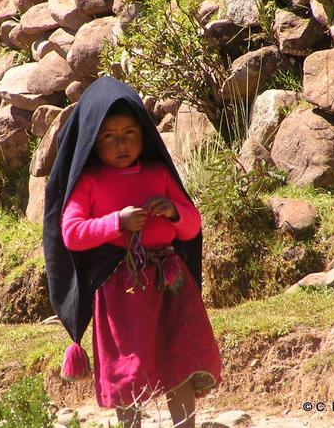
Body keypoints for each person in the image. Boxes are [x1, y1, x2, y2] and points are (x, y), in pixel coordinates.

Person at [43, 77, 221, 428]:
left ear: (144, 134)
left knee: (180, 359)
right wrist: (116, 222)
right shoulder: (90, 183)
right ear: (93, 142)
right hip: (123, 293)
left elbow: (192, 225)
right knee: (128, 366)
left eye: (129, 132)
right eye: (109, 136)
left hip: (170, 285)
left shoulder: (158, 174)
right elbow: (72, 233)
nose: (121, 143)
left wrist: (172, 210)